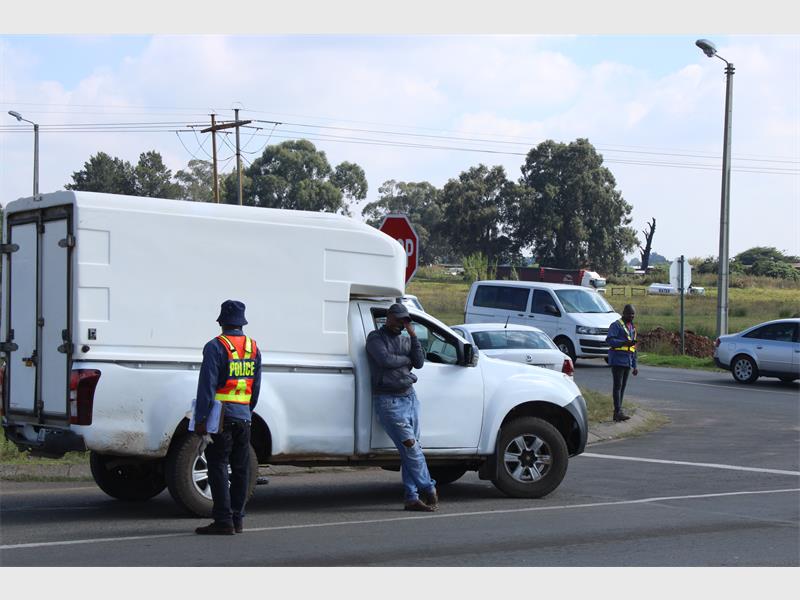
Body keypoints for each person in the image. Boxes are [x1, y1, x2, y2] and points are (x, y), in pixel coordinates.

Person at [193, 300, 262, 535]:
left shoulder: (215, 346)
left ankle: (223, 520)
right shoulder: (253, 347)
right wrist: (247, 409)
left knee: (218, 465)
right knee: (241, 468)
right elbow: (256, 386)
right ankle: (237, 519)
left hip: (221, 418)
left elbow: (207, 386)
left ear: (221, 322)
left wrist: (201, 418)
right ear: (242, 323)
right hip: (244, 417)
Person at [366, 303, 438, 512]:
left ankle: (411, 497)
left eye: (405, 320)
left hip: (410, 397)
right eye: (398, 319)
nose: (401, 323)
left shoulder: (407, 338)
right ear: (388, 318)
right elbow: (385, 360)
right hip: (389, 401)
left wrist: (413, 335)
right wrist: (406, 360)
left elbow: (419, 362)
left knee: (413, 450)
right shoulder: (375, 338)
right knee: (411, 448)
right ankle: (428, 487)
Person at [605, 304, 638, 422]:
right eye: (629, 313)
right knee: (617, 387)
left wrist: (635, 365)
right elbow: (609, 340)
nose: (631, 316)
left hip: (628, 361)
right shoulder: (616, 325)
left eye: (633, 314)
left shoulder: (632, 328)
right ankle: (617, 411)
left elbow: (634, 348)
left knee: (622, 387)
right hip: (617, 360)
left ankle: (618, 412)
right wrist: (624, 343)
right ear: (623, 313)